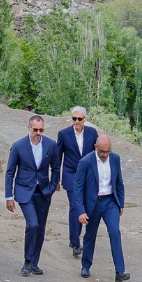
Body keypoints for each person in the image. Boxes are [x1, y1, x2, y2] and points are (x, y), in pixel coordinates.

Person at [5, 114, 61, 276]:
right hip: (24, 191)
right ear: (29, 128)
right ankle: (27, 261)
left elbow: (56, 168)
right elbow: (10, 172)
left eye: (41, 129)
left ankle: (34, 263)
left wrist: (51, 187)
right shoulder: (18, 146)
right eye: (35, 129)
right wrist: (9, 196)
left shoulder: (51, 145)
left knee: (41, 229)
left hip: (43, 192)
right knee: (33, 224)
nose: (38, 132)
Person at [74, 134, 130, 282]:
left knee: (115, 232)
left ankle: (120, 271)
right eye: (102, 152)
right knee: (90, 234)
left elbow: (119, 182)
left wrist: (121, 203)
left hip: (110, 202)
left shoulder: (115, 159)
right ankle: (86, 265)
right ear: (96, 148)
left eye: (107, 151)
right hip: (93, 204)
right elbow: (77, 188)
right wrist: (80, 210)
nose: (105, 155)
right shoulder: (85, 162)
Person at [57, 105, 100, 257]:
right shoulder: (64, 134)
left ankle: (74, 237)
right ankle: (75, 242)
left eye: (79, 119)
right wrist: (56, 178)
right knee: (76, 206)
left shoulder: (92, 133)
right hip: (70, 175)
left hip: (88, 177)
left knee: (85, 206)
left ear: (85, 120)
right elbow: (58, 157)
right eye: (74, 118)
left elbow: (98, 154)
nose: (76, 121)